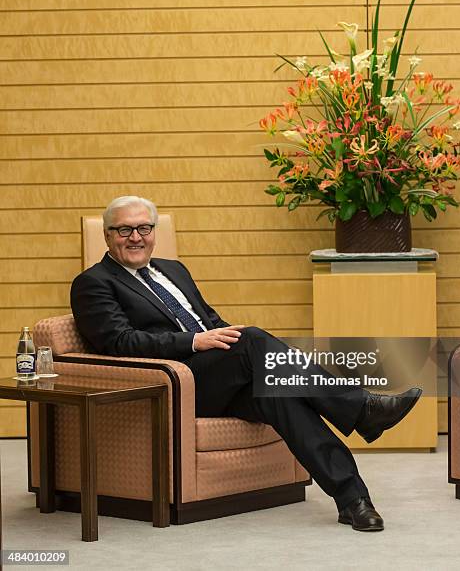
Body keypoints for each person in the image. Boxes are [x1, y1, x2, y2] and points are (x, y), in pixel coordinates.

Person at [71, 195, 422, 532]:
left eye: (144, 228)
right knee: (253, 339)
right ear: (107, 235)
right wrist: (195, 341)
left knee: (281, 394)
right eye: (124, 230)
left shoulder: (174, 270)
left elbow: (208, 318)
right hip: (177, 382)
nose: (136, 237)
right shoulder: (93, 283)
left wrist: (223, 338)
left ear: (154, 233)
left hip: (216, 373)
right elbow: (119, 342)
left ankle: (353, 501)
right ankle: (361, 408)